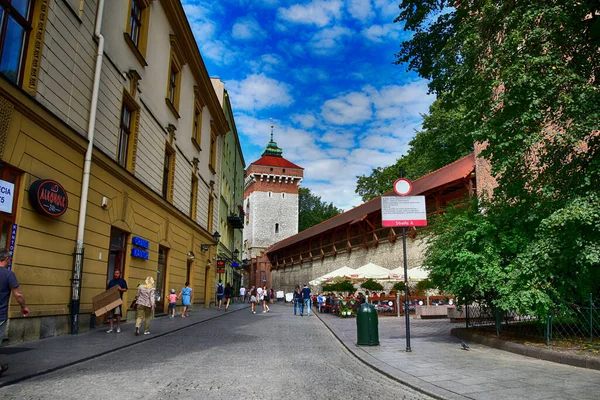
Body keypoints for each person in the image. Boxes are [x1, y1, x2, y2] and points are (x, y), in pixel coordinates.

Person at [0, 248, 29, 377]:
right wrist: (24, 307)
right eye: (9, 259)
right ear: (6, 259)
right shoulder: (8, 274)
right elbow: (18, 294)